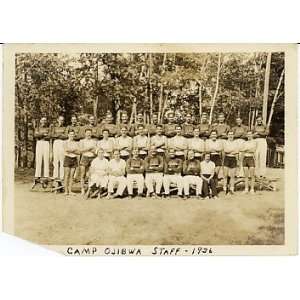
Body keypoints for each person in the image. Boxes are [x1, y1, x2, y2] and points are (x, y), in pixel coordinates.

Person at [79, 129, 97, 195]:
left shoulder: (94, 141)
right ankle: (82, 189)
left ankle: (90, 189)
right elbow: (81, 150)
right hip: (84, 157)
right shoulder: (82, 141)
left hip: (92, 158)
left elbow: (95, 151)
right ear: (85, 134)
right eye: (87, 133)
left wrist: (89, 150)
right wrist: (89, 148)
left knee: (91, 175)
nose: (89, 134)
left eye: (90, 133)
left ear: (91, 134)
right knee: (82, 174)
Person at [63, 130, 80, 196]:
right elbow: (66, 150)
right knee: (66, 175)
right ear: (68, 135)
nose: (72, 135)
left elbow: (78, 152)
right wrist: (74, 150)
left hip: (74, 159)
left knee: (71, 176)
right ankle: (66, 191)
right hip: (67, 158)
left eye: (73, 134)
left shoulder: (76, 143)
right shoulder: (65, 142)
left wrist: (71, 150)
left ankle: (70, 190)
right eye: (70, 134)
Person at [50, 116, 68, 181]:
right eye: (60, 120)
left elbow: (66, 136)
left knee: (62, 159)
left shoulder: (65, 127)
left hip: (62, 142)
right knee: (56, 160)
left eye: (62, 120)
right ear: (58, 120)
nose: (61, 121)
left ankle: (62, 176)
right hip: (56, 143)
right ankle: (55, 175)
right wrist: (60, 135)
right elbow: (52, 135)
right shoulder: (54, 127)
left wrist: (58, 135)